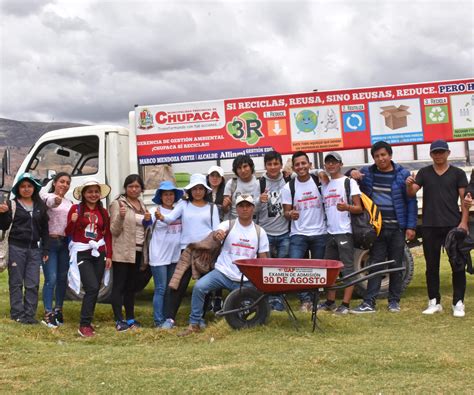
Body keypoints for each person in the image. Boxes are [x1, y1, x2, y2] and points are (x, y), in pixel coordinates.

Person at [177, 194, 269, 336]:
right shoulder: (228, 224)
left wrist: (263, 280)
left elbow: (263, 258)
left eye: (248, 206)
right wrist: (218, 235)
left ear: (253, 208)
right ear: (236, 209)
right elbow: (218, 233)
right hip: (223, 273)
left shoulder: (259, 232)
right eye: (241, 206)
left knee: (258, 300)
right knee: (199, 287)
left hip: (245, 278)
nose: (244, 209)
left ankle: (248, 321)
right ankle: (194, 323)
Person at [350, 141, 417, 314]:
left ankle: (394, 301)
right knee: (375, 265)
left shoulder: (403, 175)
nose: (381, 158)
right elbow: (348, 177)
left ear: (390, 155)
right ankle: (369, 302)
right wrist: (352, 172)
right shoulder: (368, 174)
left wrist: (411, 226)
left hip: (397, 228)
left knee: (396, 264)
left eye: (383, 155)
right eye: (377, 156)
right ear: (373, 158)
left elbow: (411, 201)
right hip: (376, 229)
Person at [406, 139, 469, 317]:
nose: (439, 155)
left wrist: (463, 223)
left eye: (442, 152)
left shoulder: (457, 173)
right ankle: (434, 301)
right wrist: (409, 184)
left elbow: (465, 201)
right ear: (431, 154)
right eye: (435, 152)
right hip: (430, 225)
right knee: (431, 266)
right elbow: (411, 193)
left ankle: (458, 302)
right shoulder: (424, 172)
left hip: (452, 225)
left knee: (457, 264)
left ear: (448, 153)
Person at [155, 173, 219, 326]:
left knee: (204, 286)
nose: (198, 191)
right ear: (190, 191)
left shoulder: (212, 208)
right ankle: (170, 319)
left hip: (205, 252)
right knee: (178, 285)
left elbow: (216, 229)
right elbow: (170, 218)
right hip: (187, 251)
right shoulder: (184, 205)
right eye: (195, 189)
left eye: (201, 188)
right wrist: (161, 217)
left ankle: (200, 317)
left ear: (205, 190)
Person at [65, 178, 112, 337]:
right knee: (91, 287)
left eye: (96, 191)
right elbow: (68, 232)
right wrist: (73, 222)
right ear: (83, 194)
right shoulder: (75, 209)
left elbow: (108, 235)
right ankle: (84, 325)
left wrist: (109, 255)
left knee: (95, 288)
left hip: (99, 252)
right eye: (89, 191)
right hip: (82, 251)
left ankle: (88, 322)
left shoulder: (103, 212)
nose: (93, 194)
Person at [281, 151, 328, 312]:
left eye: (303, 163)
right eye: (297, 164)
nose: (301, 167)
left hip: (320, 233)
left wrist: (320, 171)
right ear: (293, 167)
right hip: (298, 234)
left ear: (309, 165)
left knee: (317, 270)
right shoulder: (289, 187)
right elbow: (286, 212)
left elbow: (334, 173)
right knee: (297, 268)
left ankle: (315, 300)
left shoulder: (319, 181)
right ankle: (304, 300)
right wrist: (290, 214)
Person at [0, 173, 49, 325]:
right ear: (18, 189)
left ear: (34, 188)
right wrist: (2, 214)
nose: (26, 189)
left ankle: (29, 315)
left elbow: (45, 230)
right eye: (23, 186)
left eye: (29, 186)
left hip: (34, 249)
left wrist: (45, 249)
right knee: (16, 282)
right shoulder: (12, 204)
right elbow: (4, 226)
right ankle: (17, 314)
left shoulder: (40, 206)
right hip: (16, 247)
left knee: (33, 283)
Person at [317, 152, 363, 315]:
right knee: (330, 270)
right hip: (330, 232)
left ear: (340, 164)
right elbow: (316, 172)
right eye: (328, 163)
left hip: (345, 232)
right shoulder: (325, 184)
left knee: (348, 269)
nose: (331, 165)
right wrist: (321, 174)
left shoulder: (349, 182)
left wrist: (347, 208)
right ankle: (330, 301)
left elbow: (359, 207)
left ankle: (345, 304)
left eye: (334, 162)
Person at [109, 174, 150, 332]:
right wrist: (121, 216)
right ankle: (119, 320)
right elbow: (114, 230)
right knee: (119, 286)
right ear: (125, 188)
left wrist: (148, 220)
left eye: (137, 186)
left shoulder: (142, 204)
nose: (134, 189)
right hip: (122, 251)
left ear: (141, 189)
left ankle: (131, 318)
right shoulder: (118, 204)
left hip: (138, 251)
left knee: (131, 288)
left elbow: (143, 227)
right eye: (130, 186)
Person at [257, 150, 290, 311]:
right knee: (268, 270)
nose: (273, 167)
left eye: (276, 163)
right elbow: (250, 208)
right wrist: (259, 200)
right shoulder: (259, 183)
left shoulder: (289, 179)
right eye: (269, 164)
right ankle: (270, 299)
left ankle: (280, 298)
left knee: (282, 269)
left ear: (281, 165)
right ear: (265, 166)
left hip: (285, 233)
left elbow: (311, 172)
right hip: (266, 233)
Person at [148, 180, 183, 328]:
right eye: (165, 194)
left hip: (174, 256)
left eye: (171, 194)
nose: (168, 197)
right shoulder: (154, 211)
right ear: (160, 197)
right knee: (161, 288)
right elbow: (146, 223)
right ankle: (158, 321)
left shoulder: (179, 211)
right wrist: (146, 219)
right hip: (158, 256)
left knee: (170, 289)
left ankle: (167, 319)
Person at [40, 172, 73, 328]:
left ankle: (58, 309)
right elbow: (50, 202)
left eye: (67, 182)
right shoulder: (47, 197)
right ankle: (48, 313)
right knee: (50, 279)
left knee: (62, 279)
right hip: (50, 244)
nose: (64, 185)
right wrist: (56, 199)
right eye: (61, 182)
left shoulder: (70, 202)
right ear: (54, 183)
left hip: (65, 243)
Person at [222, 154, 260, 219]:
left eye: (245, 166)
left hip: (254, 224)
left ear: (251, 167)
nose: (243, 170)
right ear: (235, 170)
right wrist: (225, 206)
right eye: (239, 168)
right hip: (235, 224)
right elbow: (225, 210)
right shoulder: (231, 183)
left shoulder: (259, 183)